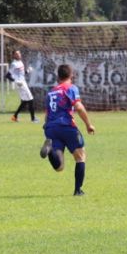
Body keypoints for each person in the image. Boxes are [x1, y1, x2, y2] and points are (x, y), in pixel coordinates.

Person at [39, 64, 96, 196]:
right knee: (80, 156)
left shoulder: (51, 92)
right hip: (66, 127)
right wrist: (88, 124)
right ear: (71, 76)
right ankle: (78, 191)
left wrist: (47, 126)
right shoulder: (70, 88)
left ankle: (50, 150)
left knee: (59, 167)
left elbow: (47, 115)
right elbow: (79, 107)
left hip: (50, 128)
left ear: (58, 77)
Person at [9, 50, 38, 123]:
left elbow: (21, 74)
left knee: (25, 101)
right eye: (16, 54)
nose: (18, 55)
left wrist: (28, 71)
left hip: (22, 82)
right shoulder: (14, 64)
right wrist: (16, 81)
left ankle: (15, 116)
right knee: (30, 99)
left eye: (19, 53)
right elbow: (8, 75)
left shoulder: (20, 62)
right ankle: (33, 119)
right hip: (20, 83)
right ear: (13, 55)